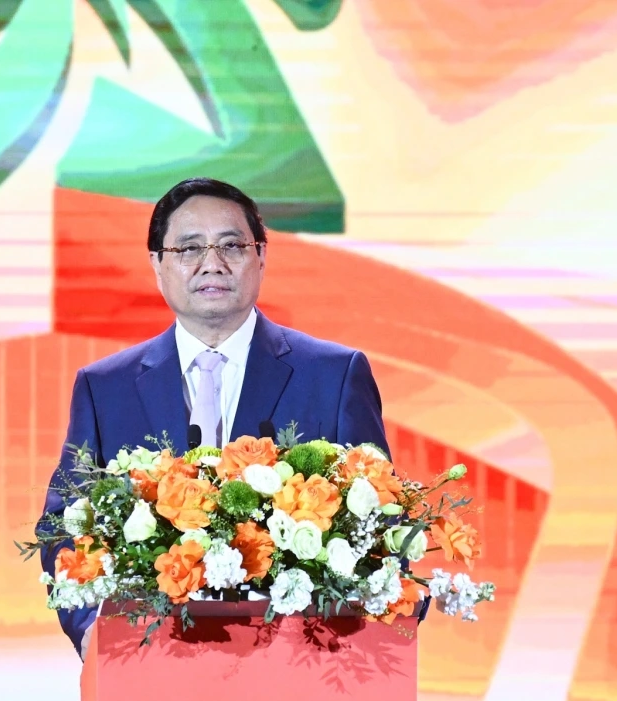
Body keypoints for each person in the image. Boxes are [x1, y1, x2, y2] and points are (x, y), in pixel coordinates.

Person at [38, 177, 389, 656]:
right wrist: (96, 633)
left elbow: (381, 525)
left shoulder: (334, 376)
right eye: (188, 248)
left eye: (232, 246)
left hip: (300, 666)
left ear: (261, 256)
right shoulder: (105, 388)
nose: (212, 263)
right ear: (157, 264)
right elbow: (65, 527)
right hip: (148, 665)